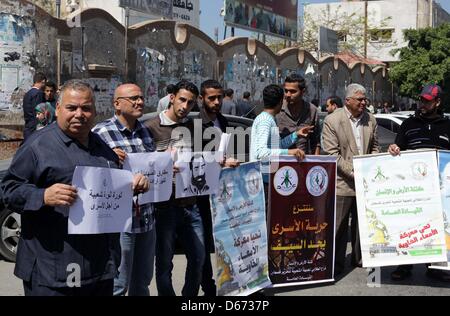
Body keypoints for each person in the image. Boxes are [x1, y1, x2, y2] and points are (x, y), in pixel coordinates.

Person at [0, 80, 149, 296]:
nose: (79, 114)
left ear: (94, 111)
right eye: (72, 108)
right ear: (58, 109)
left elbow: (108, 191)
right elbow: (8, 189)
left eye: (86, 108)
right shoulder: (37, 146)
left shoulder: (102, 148)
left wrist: (132, 186)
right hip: (51, 268)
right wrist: (43, 196)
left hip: (99, 268)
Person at [92, 83, 156, 296]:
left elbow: (151, 168)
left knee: (143, 282)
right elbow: (90, 174)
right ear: (117, 104)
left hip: (146, 219)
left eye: (141, 97)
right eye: (133, 98)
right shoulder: (100, 133)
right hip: (120, 221)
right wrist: (109, 159)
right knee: (118, 285)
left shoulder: (145, 131)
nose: (140, 102)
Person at [146, 80, 205, 296]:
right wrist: (163, 167)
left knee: (199, 257)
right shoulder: (151, 127)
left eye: (190, 103)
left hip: (190, 204)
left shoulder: (192, 127)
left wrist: (222, 162)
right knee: (164, 263)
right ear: (172, 98)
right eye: (182, 100)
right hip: (164, 206)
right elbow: (144, 165)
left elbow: (201, 161)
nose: (185, 106)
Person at [388, 84, 450, 282]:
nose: (422, 103)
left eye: (427, 100)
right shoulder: (408, 124)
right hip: (412, 190)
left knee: (435, 227)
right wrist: (394, 148)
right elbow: (398, 148)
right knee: (409, 226)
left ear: (437, 102)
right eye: (421, 99)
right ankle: (404, 265)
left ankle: (435, 266)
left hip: (439, 190)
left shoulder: (447, 126)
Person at [322, 83, 380, 276]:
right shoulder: (332, 120)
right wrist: (354, 173)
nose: (364, 103)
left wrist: (370, 168)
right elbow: (332, 154)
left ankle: (359, 258)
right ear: (348, 101)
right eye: (360, 99)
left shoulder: (370, 119)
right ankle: (335, 264)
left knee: (362, 225)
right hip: (342, 183)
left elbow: (374, 147)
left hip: (365, 183)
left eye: (365, 99)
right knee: (338, 227)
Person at [196, 79, 240, 296]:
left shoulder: (222, 121)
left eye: (219, 98)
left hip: (222, 193)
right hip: (201, 196)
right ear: (202, 99)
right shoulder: (195, 123)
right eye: (211, 98)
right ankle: (208, 287)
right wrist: (221, 161)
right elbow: (193, 159)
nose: (216, 102)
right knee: (202, 248)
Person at [250, 84, 312, 186]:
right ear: (280, 102)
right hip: (262, 182)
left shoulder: (270, 119)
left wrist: (296, 134)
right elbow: (261, 153)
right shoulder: (265, 121)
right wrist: (290, 152)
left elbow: (277, 147)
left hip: (270, 179)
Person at [277, 73, 321, 156]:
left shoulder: (312, 111)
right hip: (282, 163)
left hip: (304, 163)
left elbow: (315, 142)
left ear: (302, 92)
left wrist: (316, 162)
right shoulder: (278, 110)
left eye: (293, 91)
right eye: (286, 91)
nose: (288, 95)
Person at [22, 72, 46, 140]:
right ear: (43, 81)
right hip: (35, 126)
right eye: (44, 83)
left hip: (28, 125)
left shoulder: (28, 93)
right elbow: (39, 111)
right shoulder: (39, 93)